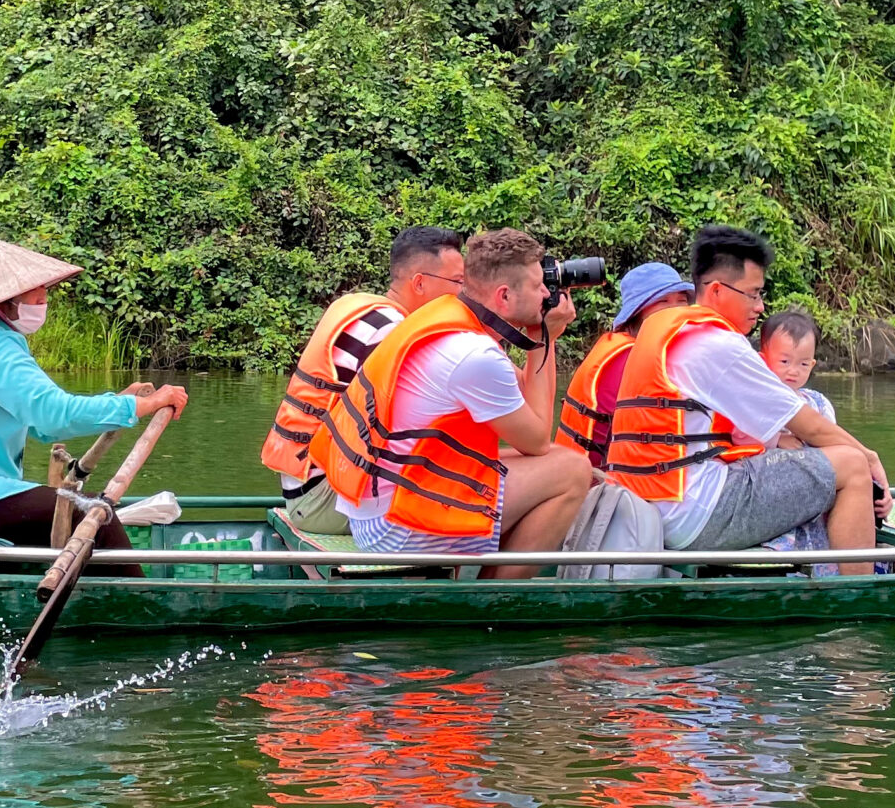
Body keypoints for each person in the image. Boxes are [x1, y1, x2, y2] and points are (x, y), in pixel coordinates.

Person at [605, 226, 887, 576]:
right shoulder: (719, 345)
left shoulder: (668, 330)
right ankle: (857, 601)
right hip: (696, 514)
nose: (760, 306)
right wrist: (871, 460)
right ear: (718, 291)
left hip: (651, 505)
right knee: (851, 465)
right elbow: (810, 425)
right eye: (753, 294)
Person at [310, 228, 592, 578]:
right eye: (538, 287)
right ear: (503, 296)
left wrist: (539, 338)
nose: (548, 294)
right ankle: (494, 599)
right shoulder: (472, 355)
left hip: (379, 505)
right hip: (396, 527)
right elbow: (536, 440)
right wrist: (544, 339)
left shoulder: (449, 320)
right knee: (573, 470)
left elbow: (524, 396)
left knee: (559, 461)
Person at [0, 237, 189, 570]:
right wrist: (145, 405)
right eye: (33, 292)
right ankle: (140, 606)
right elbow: (53, 416)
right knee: (91, 513)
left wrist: (119, 403)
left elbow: (39, 425)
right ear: (2, 301)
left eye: (44, 290)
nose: (43, 299)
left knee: (71, 514)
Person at [262, 228, 466, 496]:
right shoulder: (391, 332)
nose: (462, 293)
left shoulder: (363, 307)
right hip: (326, 492)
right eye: (457, 281)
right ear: (419, 283)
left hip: (304, 484)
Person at [557, 260, 693, 468]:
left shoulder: (622, 345)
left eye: (681, 302)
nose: (675, 312)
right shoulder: (631, 359)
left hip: (581, 475)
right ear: (636, 315)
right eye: (663, 302)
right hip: (598, 487)